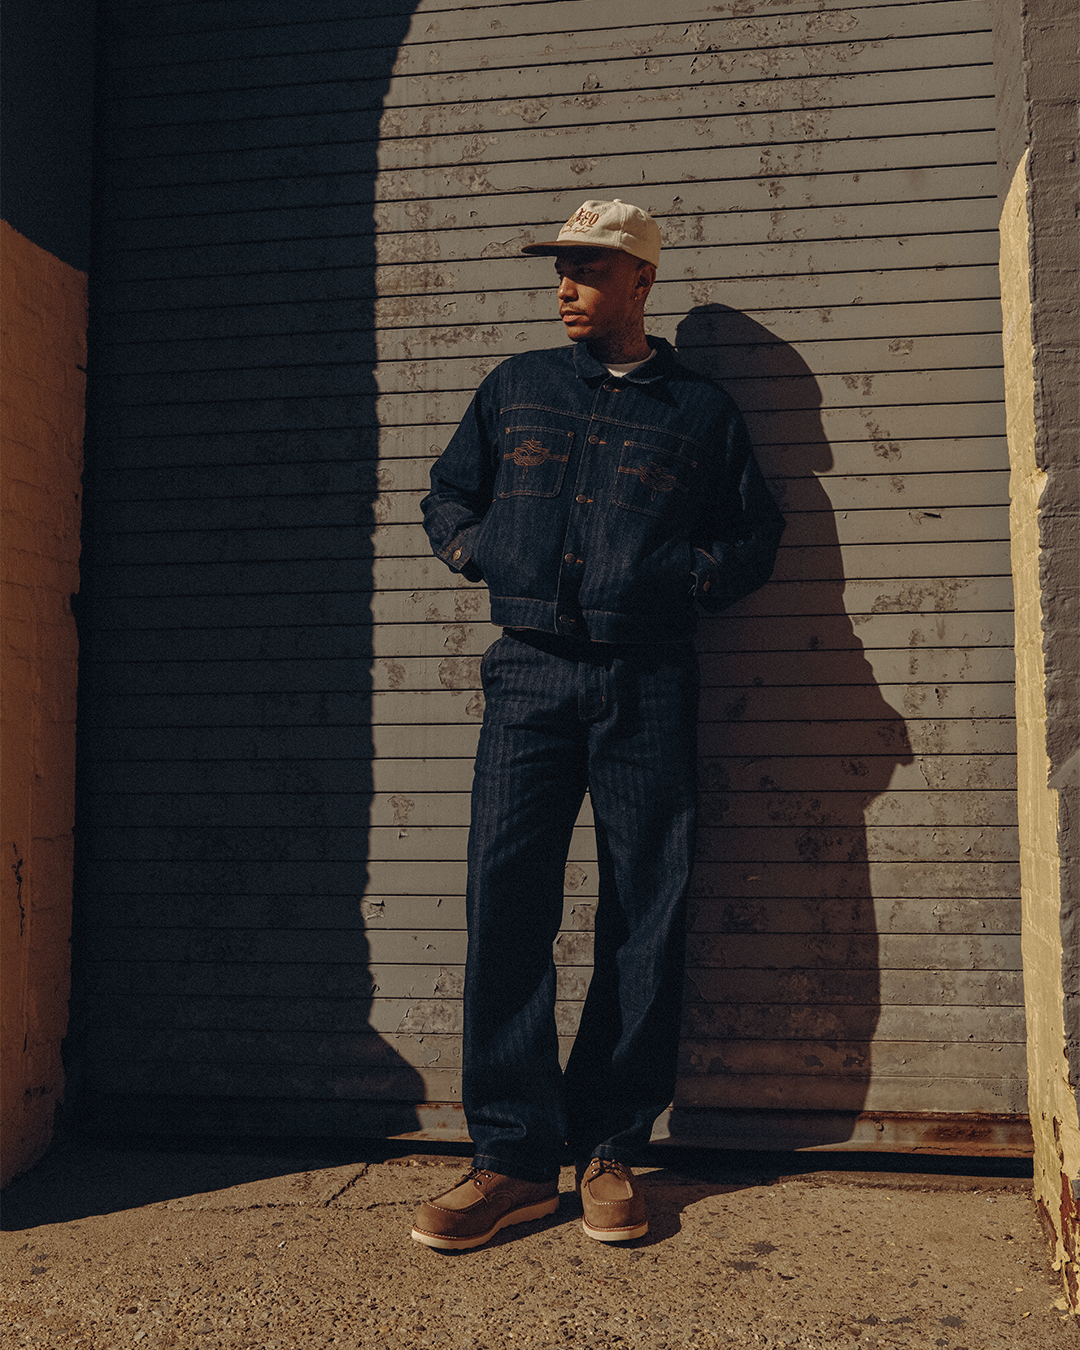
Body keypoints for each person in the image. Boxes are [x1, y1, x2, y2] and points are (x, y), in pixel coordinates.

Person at [411, 200, 785, 1250]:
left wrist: (682, 580)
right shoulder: (517, 387)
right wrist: (479, 551)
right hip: (529, 676)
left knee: (644, 910)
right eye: (561, 268)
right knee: (506, 902)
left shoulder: (701, 412)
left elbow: (755, 535)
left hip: (647, 678)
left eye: (589, 269)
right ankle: (512, 1161)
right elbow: (448, 496)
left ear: (642, 282)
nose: (565, 287)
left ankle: (612, 1146)